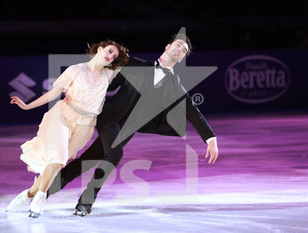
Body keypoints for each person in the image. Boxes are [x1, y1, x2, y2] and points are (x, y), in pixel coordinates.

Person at [48, 33, 219, 216]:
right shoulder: (135, 64)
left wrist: (210, 138)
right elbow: (107, 83)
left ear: (182, 58)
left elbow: (191, 109)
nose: (180, 49)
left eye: (184, 50)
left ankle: (45, 190)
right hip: (110, 115)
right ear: (167, 47)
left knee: (88, 160)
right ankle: (86, 201)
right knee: (114, 154)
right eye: (178, 45)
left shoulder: (174, 83)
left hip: (129, 127)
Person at [5, 40, 129, 218]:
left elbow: (138, 64)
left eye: (114, 56)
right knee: (59, 157)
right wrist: (26, 106)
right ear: (100, 49)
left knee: (55, 164)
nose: (110, 56)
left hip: (85, 125)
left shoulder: (109, 74)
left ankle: (29, 193)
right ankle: (40, 196)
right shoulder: (75, 70)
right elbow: (53, 94)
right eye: (109, 51)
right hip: (62, 116)